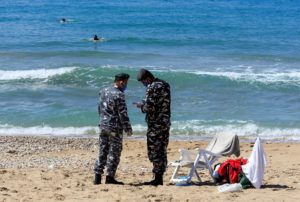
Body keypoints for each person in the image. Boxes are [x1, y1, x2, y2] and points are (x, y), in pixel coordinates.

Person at [94, 73, 133, 185]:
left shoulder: (103, 91)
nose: (126, 85)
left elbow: (99, 108)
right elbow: (123, 114)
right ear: (121, 82)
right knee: (114, 153)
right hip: (114, 128)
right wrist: (128, 129)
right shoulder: (119, 95)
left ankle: (97, 177)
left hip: (103, 125)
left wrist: (102, 120)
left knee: (103, 150)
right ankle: (110, 178)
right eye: (126, 83)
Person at [135, 69, 171, 186]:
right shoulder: (165, 83)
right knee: (162, 149)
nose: (143, 84)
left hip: (156, 124)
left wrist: (141, 106)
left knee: (154, 150)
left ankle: (157, 179)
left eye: (143, 82)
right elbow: (160, 103)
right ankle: (159, 176)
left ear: (147, 78)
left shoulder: (152, 87)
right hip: (165, 123)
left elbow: (150, 108)